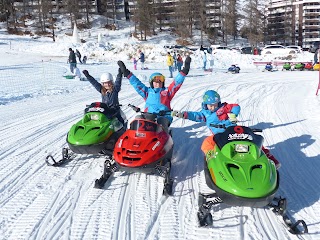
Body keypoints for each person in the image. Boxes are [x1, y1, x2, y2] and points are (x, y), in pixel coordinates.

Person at [172, 90, 281, 169]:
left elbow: (236, 106)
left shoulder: (223, 107)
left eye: (214, 105)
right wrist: (182, 114)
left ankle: (271, 159)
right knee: (206, 144)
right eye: (210, 105)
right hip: (219, 137)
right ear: (205, 105)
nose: (213, 107)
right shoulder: (205, 114)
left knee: (252, 141)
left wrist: (233, 115)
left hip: (233, 132)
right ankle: (213, 162)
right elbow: (194, 115)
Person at [117, 56, 192, 132]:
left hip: (163, 116)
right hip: (148, 116)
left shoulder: (167, 92)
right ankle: (135, 140)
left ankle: (163, 139)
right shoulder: (147, 92)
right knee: (138, 118)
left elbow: (176, 83)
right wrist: (127, 73)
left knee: (161, 122)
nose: (158, 82)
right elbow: (137, 84)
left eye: (160, 80)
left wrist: (184, 71)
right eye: (155, 81)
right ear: (151, 83)